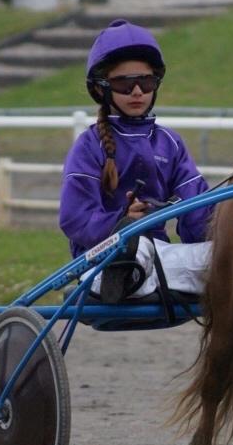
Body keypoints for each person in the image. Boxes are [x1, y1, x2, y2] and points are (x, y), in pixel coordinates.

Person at [59, 19, 212, 302]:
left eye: (146, 81)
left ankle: (147, 280)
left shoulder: (170, 142)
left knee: (226, 257)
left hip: (159, 258)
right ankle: (129, 279)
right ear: (101, 88)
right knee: (136, 249)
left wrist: (228, 225)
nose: (137, 92)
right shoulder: (89, 146)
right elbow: (74, 218)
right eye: (124, 84)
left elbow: (199, 212)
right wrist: (122, 222)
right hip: (101, 260)